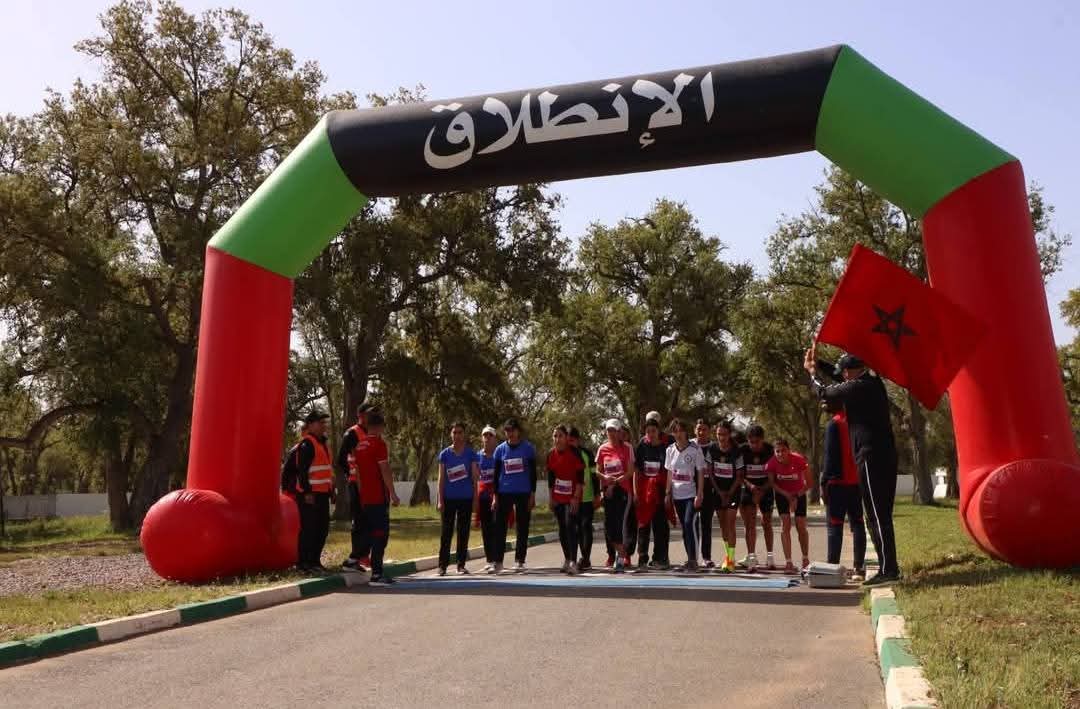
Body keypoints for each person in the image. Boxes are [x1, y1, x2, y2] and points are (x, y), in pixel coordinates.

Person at [805, 348, 900, 585]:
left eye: (845, 372)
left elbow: (826, 393)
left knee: (876, 516)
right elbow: (838, 377)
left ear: (852, 371)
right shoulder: (869, 383)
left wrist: (812, 374)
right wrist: (819, 363)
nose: (843, 376)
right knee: (879, 515)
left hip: (871, 457)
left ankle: (889, 570)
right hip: (882, 455)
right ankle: (888, 567)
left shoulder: (859, 387)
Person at [282, 410, 334, 572]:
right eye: (320, 422)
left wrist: (332, 490)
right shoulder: (306, 445)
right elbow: (302, 472)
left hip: (323, 493)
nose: (323, 426)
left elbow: (326, 470)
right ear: (310, 425)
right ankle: (303, 563)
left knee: (322, 528)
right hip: (309, 495)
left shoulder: (323, 444)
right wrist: (307, 492)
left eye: (324, 423)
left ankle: (315, 561)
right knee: (309, 529)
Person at [352, 411, 400, 585]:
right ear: (380, 427)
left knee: (368, 532)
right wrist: (393, 493)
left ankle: (354, 559)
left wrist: (361, 493)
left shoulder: (359, 446)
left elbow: (357, 473)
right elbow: (384, 469)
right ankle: (377, 573)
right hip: (379, 497)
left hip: (365, 497)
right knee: (381, 534)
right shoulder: (379, 444)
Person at [821, 400, 867, 580]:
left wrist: (824, 482)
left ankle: (832, 569)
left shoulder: (834, 424)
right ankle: (859, 568)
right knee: (858, 523)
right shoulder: (859, 422)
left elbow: (829, 455)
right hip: (856, 482)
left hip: (837, 483)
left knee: (835, 526)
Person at [491, 418, 537, 573]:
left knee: (522, 527)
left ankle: (519, 560)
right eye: (507, 430)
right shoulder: (499, 450)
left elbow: (533, 474)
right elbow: (495, 475)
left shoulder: (528, 448)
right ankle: (498, 561)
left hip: (524, 492)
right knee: (500, 528)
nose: (510, 433)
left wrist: (532, 494)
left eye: (512, 430)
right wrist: (495, 496)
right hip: (504, 493)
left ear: (518, 431)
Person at [437, 422, 480, 576]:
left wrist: (475, 498)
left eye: (460, 432)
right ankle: (442, 566)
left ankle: (461, 565)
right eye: (454, 432)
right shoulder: (444, 454)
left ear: (464, 434)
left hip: (466, 499)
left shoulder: (471, 454)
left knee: (463, 532)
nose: (457, 435)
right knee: (446, 533)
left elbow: (475, 478)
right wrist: (440, 499)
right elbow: (441, 478)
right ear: (451, 434)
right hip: (448, 499)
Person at [337, 402, 376, 571]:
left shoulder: (373, 432)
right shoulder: (352, 433)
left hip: (371, 484)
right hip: (356, 484)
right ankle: (355, 557)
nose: (372, 416)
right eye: (369, 413)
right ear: (361, 415)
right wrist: (350, 474)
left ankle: (364, 556)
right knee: (359, 520)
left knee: (370, 520)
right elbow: (340, 459)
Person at [665, 418, 706, 571]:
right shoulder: (670, 450)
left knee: (690, 523)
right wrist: (667, 493)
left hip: (691, 495)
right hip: (677, 496)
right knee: (684, 527)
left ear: (686, 432)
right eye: (675, 431)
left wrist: (699, 494)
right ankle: (689, 558)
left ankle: (694, 559)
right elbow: (670, 473)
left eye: (681, 430)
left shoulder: (695, 449)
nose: (679, 434)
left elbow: (700, 472)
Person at [595, 419, 636, 573]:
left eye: (614, 430)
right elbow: (597, 471)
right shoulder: (602, 449)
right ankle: (622, 552)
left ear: (619, 433)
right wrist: (605, 481)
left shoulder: (627, 448)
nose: (611, 433)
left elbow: (630, 472)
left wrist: (615, 482)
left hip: (623, 490)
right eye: (609, 430)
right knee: (609, 527)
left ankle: (621, 558)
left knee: (621, 524)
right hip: (608, 492)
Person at [766, 438, 811, 573]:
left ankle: (805, 559)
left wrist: (796, 496)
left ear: (789, 450)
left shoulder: (799, 460)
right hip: (782, 494)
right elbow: (772, 483)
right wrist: (786, 495)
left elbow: (809, 483)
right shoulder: (771, 463)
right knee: (785, 525)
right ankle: (788, 562)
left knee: (800, 525)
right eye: (777, 451)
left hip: (799, 492)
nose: (780, 454)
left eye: (783, 450)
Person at [705, 421, 744, 572]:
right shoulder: (712, 449)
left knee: (730, 523)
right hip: (718, 491)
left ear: (729, 434)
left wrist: (729, 493)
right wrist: (720, 492)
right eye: (719, 434)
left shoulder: (736, 451)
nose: (721, 437)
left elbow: (739, 475)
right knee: (723, 525)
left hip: (733, 491)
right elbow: (710, 472)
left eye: (724, 434)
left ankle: (731, 559)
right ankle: (727, 556)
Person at [546, 425, 585, 574]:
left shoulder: (574, 452)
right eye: (555, 436)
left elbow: (580, 478)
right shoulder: (551, 454)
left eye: (560, 436)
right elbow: (551, 479)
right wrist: (551, 498)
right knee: (562, 529)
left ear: (566, 438)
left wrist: (576, 497)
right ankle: (567, 558)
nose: (557, 439)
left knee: (570, 526)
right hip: (558, 496)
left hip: (572, 496)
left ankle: (574, 562)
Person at [634, 417, 670, 570]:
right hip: (644, 492)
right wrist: (636, 493)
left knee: (660, 526)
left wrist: (668, 493)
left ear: (658, 431)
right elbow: (636, 471)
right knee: (643, 525)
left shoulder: (665, 448)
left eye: (653, 431)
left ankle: (660, 558)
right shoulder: (641, 447)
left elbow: (669, 472)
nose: (650, 434)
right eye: (648, 431)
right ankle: (642, 558)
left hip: (659, 492)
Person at [738, 425, 776, 572]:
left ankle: (770, 557)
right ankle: (751, 557)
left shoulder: (770, 450)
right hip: (748, 487)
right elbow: (740, 475)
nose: (754, 445)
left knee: (766, 522)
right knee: (750, 524)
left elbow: (773, 475)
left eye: (757, 442)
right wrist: (751, 487)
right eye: (751, 442)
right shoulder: (742, 450)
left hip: (766, 487)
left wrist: (763, 489)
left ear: (763, 439)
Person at [567, 427, 599, 570]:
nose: (570, 443)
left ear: (578, 440)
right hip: (570, 499)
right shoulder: (564, 454)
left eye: (572, 440)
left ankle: (585, 558)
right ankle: (573, 559)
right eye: (568, 440)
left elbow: (594, 475)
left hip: (587, 498)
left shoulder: (587, 453)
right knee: (575, 529)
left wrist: (597, 494)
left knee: (585, 528)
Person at [693, 418, 719, 569]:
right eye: (699, 429)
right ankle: (692, 557)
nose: (701, 432)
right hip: (691, 490)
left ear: (709, 431)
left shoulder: (714, 447)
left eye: (704, 429)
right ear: (694, 430)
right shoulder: (690, 445)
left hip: (709, 490)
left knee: (706, 524)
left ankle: (706, 557)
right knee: (692, 524)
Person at [475, 425, 500, 572]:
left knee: (496, 527)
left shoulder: (499, 455)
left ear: (495, 438)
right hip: (483, 497)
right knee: (486, 529)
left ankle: (497, 559)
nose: (487, 438)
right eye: (485, 435)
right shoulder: (477, 456)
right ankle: (489, 559)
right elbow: (475, 478)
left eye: (490, 435)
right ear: (482, 438)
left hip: (497, 496)